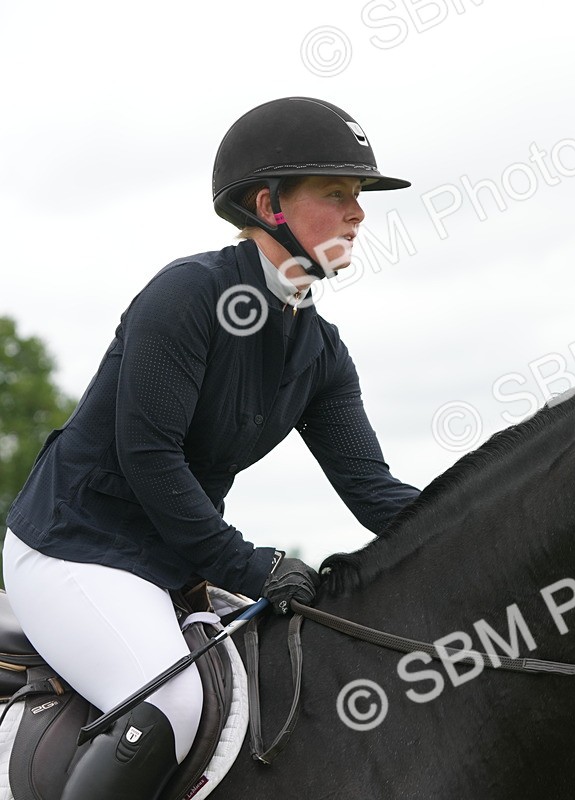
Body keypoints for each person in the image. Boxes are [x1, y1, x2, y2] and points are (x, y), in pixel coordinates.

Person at [2, 97, 421, 799]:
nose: (358, 214)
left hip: (171, 566)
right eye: (338, 194)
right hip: (74, 548)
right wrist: (250, 565)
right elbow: (150, 458)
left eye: (359, 199)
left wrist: (495, 524)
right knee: (173, 704)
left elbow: (375, 492)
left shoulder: (319, 350)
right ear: (270, 205)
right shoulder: (188, 295)